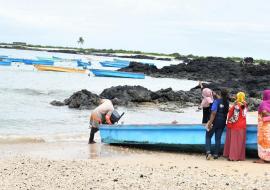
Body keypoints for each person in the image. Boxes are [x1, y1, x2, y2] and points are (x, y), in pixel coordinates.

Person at [205, 89, 229, 160]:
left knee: (208, 136)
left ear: (220, 94)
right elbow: (221, 101)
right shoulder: (227, 102)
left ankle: (208, 152)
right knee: (218, 138)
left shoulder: (216, 102)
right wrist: (215, 95)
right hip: (222, 122)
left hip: (215, 121)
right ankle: (216, 154)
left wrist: (210, 123)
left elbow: (213, 113)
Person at [223, 92, 247, 161]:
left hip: (235, 126)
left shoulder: (237, 105)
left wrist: (228, 121)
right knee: (240, 142)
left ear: (237, 97)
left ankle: (233, 157)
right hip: (242, 125)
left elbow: (235, 117)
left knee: (234, 142)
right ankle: (240, 156)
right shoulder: (244, 104)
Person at [254, 90, 270, 163]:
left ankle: (263, 158)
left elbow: (264, 112)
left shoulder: (264, 103)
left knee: (263, 141)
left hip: (264, 126)